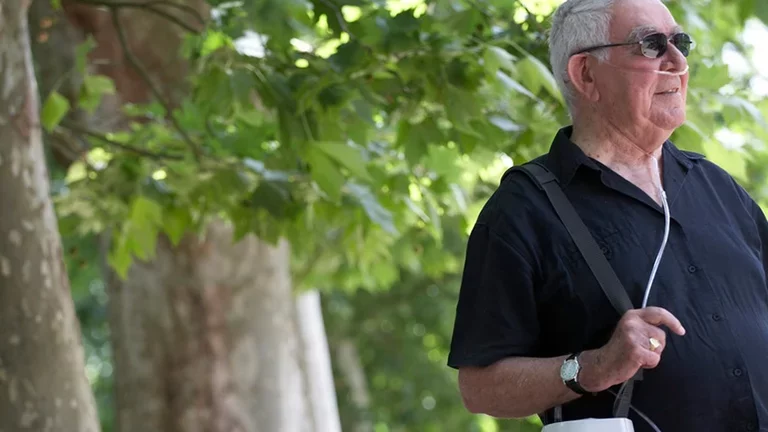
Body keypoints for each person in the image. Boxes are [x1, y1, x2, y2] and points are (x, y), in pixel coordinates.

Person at [447, 0, 768, 431]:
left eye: (681, 42)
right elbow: (480, 387)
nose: (677, 62)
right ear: (586, 74)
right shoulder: (523, 209)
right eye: (651, 45)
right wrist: (591, 367)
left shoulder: (717, 185)